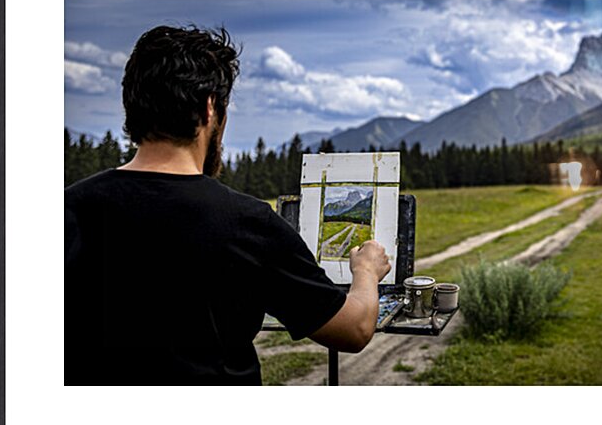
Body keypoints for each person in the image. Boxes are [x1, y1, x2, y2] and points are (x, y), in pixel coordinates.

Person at [65, 25, 390, 385]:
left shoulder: (68, 208)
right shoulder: (248, 223)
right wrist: (365, 271)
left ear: (132, 108)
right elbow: (354, 329)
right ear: (209, 109)